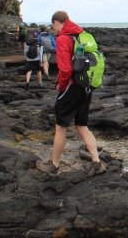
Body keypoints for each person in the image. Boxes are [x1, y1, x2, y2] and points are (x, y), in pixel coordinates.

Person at [35, 10, 106, 176]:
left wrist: (61, 85)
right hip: (86, 86)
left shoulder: (63, 38)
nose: (54, 31)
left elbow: (65, 69)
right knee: (82, 125)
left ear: (56, 22)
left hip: (72, 86)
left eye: (54, 27)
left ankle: (54, 166)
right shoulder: (80, 34)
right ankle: (96, 162)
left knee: (61, 126)